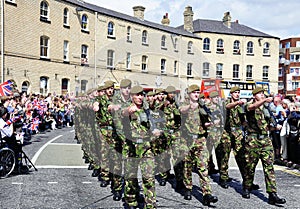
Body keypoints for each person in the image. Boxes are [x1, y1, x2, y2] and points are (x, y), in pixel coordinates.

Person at [242, 87, 286, 205]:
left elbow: (268, 125)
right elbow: (251, 108)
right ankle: (247, 186)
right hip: (253, 141)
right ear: (254, 95)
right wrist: (264, 100)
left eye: (263, 94)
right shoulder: (249, 105)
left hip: (265, 140)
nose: (262, 95)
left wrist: (274, 127)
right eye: (260, 94)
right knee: (250, 166)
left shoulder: (266, 108)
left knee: (269, 168)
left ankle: (272, 194)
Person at [179, 84, 218, 206]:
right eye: (194, 92)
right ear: (189, 94)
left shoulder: (202, 105)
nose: (196, 94)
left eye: (197, 92)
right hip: (187, 140)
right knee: (187, 166)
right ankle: (188, 188)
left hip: (200, 140)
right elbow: (181, 110)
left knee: (203, 167)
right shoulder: (183, 103)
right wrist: (192, 106)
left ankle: (207, 194)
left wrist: (211, 124)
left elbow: (205, 122)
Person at [122, 85, 156, 209]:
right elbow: (122, 113)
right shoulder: (127, 108)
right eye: (137, 95)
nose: (140, 97)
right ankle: (131, 200)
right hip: (131, 148)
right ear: (132, 96)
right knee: (131, 178)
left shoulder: (147, 111)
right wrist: (128, 111)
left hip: (146, 147)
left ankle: (150, 205)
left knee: (149, 177)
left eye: (142, 95)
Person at [0, 106, 29, 174]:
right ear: (5, 114)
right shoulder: (2, 123)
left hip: (3, 138)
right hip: (5, 140)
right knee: (17, 146)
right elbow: (9, 133)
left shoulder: (2, 122)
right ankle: (16, 164)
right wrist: (12, 123)